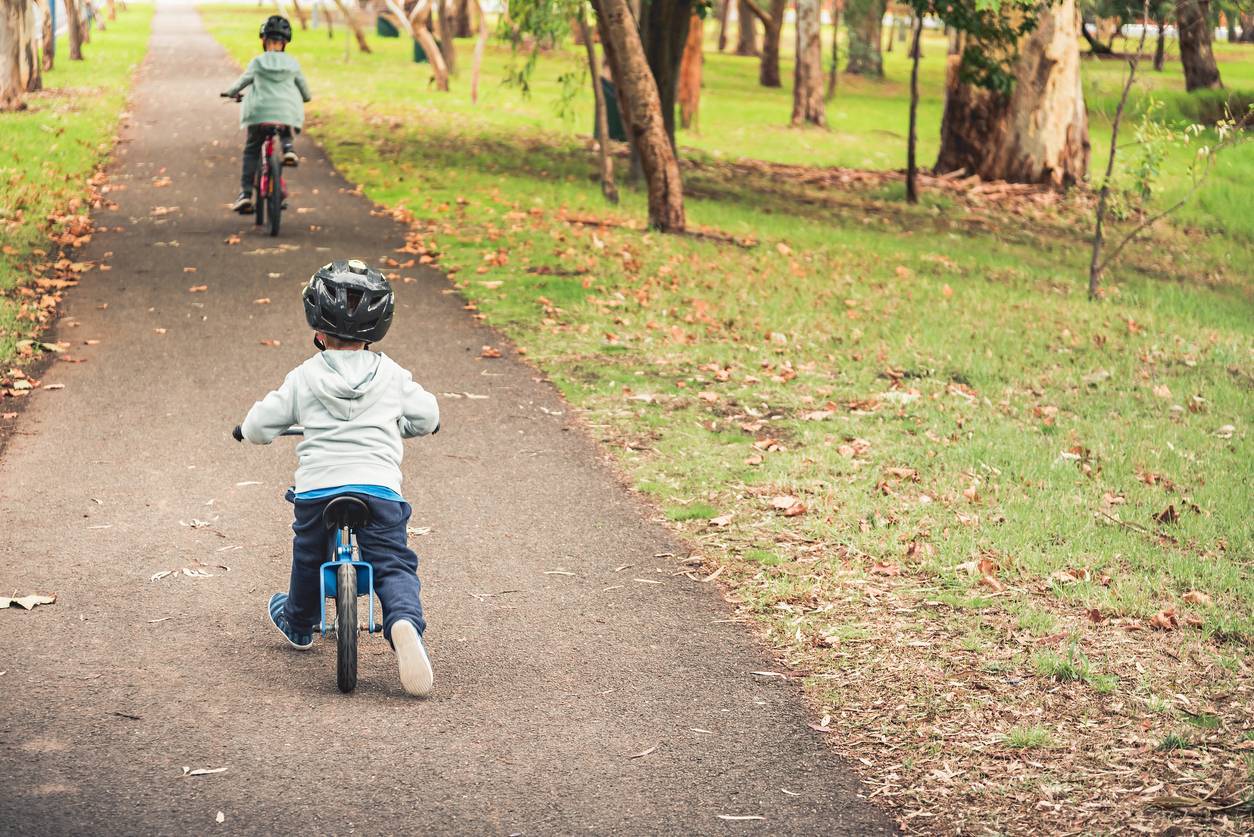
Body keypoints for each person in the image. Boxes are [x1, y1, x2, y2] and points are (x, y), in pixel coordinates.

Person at [237, 260, 441, 696]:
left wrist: (249, 431)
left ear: (318, 327)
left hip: (319, 490)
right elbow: (428, 416)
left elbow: (258, 425)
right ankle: (403, 621)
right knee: (392, 561)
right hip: (379, 488)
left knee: (309, 557)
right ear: (377, 328)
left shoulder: (304, 377)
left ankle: (298, 620)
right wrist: (404, 426)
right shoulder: (391, 374)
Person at [222, 15, 312, 213]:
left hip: (259, 113)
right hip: (285, 114)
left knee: (252, 149)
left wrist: (230, 92)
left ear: (264, 41)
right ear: (285, 43)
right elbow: (305, 92)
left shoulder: (257, 62)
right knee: (285, 117)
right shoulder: (292, 63)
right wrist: (305, 98)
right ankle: (288, 147)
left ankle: (245, 195)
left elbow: (242, 82)